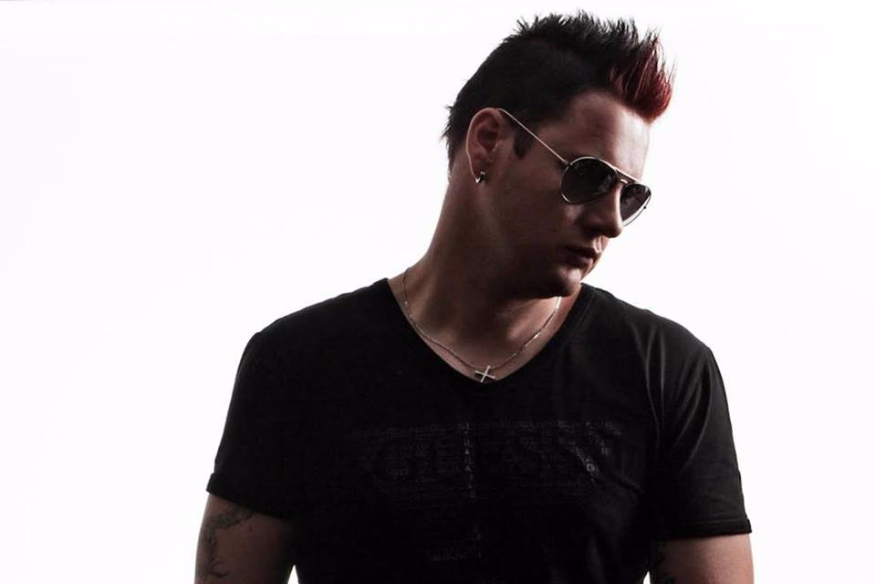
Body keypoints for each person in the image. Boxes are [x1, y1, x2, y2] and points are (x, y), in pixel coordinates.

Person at [196, 10, 754, 584]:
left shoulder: (664, 371)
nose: (610, 222)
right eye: (589, 177)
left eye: (628, 196)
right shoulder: (298, 365)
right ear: (489, 142)